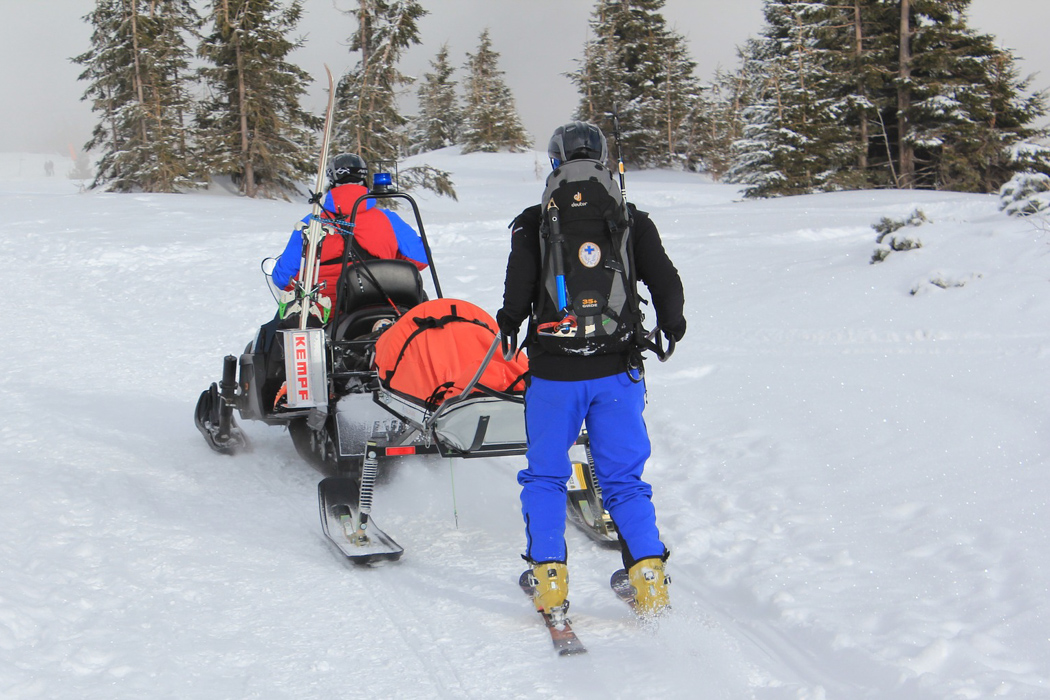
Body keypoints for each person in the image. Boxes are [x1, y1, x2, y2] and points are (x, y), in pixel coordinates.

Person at [496, 121, 686, 617]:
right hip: (618, 371)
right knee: (623, 481)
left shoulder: (532, 220)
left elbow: (517, 291)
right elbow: (665, 281)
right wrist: (671, 326)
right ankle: (648, 580)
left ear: (556, 161)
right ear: (604, 160)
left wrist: (510, 324)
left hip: (554, 374)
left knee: (546, 477)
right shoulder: (630, 219)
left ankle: (550, 582)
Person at [259, 153, 429, 406]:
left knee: (277, 331)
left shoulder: (312, 223)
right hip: (389, 301)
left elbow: (284, 277)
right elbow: (420, 258)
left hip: (331, 307)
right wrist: (387, 265)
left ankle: (285, 391)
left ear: (331, 181)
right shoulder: (388, 219)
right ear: (364, 180)